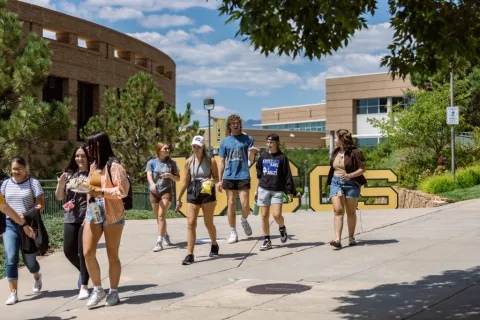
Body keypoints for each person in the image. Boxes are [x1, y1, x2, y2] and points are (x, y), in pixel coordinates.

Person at [83, 131, 130, 307]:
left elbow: (122, 191)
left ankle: (114, 291)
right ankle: (98, 289)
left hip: (112, 211)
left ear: (99, 145)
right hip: (94, 210)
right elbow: (91, 188)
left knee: (112, 255)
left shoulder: (115, 165)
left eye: (90, 145)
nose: (87, 148)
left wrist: (102, 192)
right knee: (87, 252)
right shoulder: (93, 165)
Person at [1, 156, 44, 305]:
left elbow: (41, 206)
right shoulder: (5, 184)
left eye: (19, 168)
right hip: (9, 225)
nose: (16, 171)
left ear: (25, 168)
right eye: (14, 169)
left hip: (28, 225)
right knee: (11, 258)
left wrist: (24, 215)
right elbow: (2, 205)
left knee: (30, 261)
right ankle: (13, 293)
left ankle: (37, 276)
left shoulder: (33, 183)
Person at [175, 136, 220, 265]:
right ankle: (190, 254)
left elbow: (217, 178)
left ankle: (214, 244)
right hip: (193, 192)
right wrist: (178, 198)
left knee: (208, 223)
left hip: (207, 192)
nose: (195, 148)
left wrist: (211, 181)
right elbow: (185, 181)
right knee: (191, 223)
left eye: (198, 146)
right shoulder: (188, 162)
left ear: (203, 147)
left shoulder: (210, 161)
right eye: (194, 145)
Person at [55, 144, 91, 300]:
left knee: (84, 252)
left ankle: (84, 285)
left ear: (88, 158)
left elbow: (95, 193)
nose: (80, 159)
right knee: (69, 251)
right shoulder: (69, 175)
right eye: (77, 156)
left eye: (83, 156)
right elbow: (59, 197)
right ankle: (86, 271)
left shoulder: (93, 174)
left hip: (87, 217)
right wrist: (61, 184)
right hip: (70, 217)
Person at [218, 114, 258, 244]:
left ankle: (244, 220)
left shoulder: (248, 139)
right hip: (229, 176)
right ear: (229, 125)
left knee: (245, 204)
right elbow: (222, 161)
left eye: (238, 122)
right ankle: (233, 232)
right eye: (233, 123)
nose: (236, 125)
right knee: (230, 203)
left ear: (240, 124)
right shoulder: (224, 142)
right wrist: (219, 179)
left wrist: (252, 153)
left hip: (243, 174)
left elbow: (251, 160)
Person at [326, 129, 367, 249]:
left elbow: (362, 169)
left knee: (350, 212)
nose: (334, 140)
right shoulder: (335, 152)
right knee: (338, 210)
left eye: (336, 138)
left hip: (351, 184)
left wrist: (350, 175)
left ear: (342, 139)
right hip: (336, 183)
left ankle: (351, 237)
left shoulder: (356, 152)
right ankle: (337, 239)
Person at [255, 133, 295, 250]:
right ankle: (267, 240)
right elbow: (258, 169)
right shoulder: (263, 157)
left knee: (277, 215)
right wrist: (257, 188)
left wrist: (289, 191)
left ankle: (282, 227)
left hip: (277, 190)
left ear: (277, 143)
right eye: (267, 142)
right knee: (264, 215)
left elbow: (288, 175)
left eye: (271, 142)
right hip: (264, 189)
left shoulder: (282, 157)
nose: (269, 144)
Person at [145, 142, 180, 252]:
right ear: (159, 150)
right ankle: (165, 234)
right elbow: (149, 175)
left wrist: (170, 175)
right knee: (158, 218)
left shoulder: (171, 163)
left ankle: (159, 242)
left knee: (161, 215)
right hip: (154, 192)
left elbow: (178, 178)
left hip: (166, 191)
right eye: (165, 148)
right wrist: (152, 184)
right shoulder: (151, 162)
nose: (167, 150)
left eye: (168, 148)